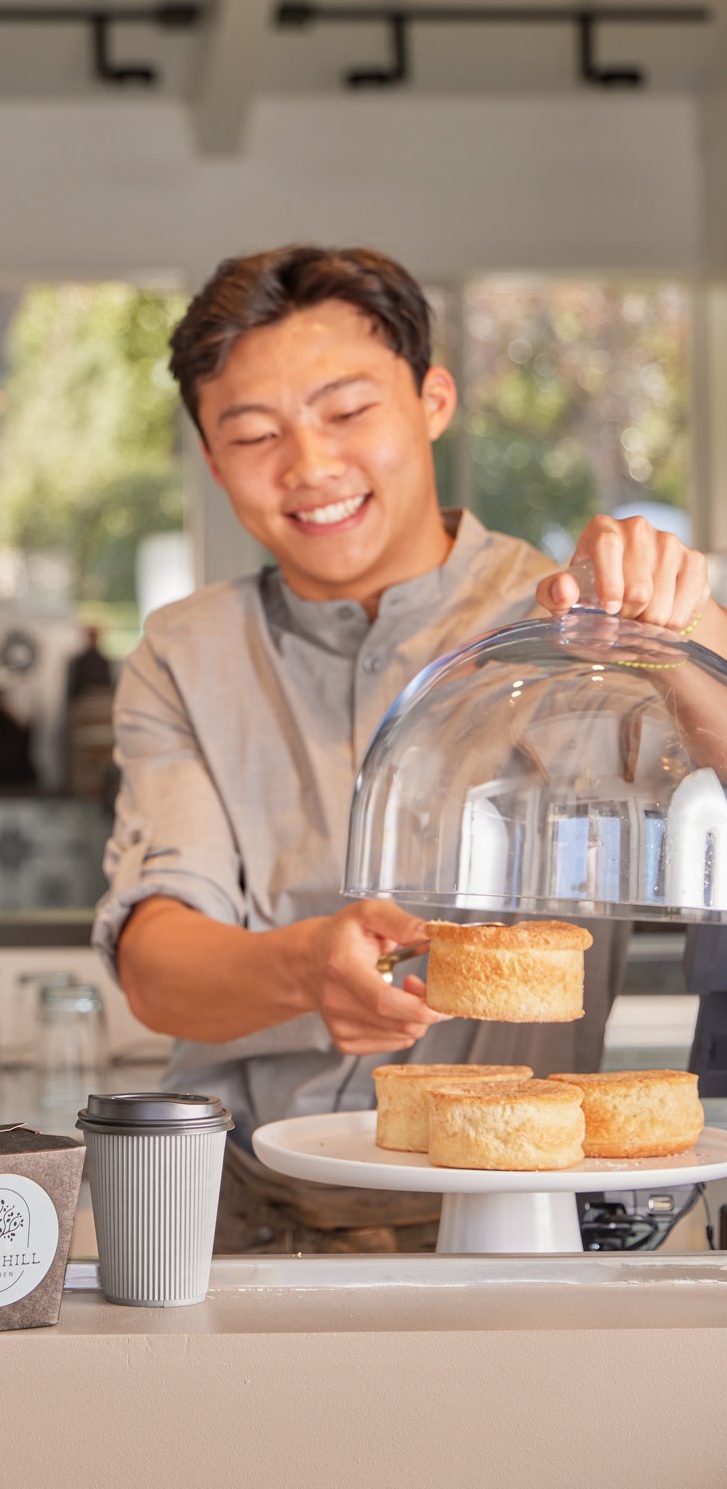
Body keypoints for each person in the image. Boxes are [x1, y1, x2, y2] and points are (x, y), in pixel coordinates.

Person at [92, 243, 725, 1254]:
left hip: (515, 1220)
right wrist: (306, 967)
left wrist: (682, 626)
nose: (308, 467)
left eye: (346, 412)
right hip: (239, 1216)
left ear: (433, 398)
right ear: (210, 460)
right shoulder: (185, 654)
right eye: (253, 435)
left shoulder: (569, 628)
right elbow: (158, 968)